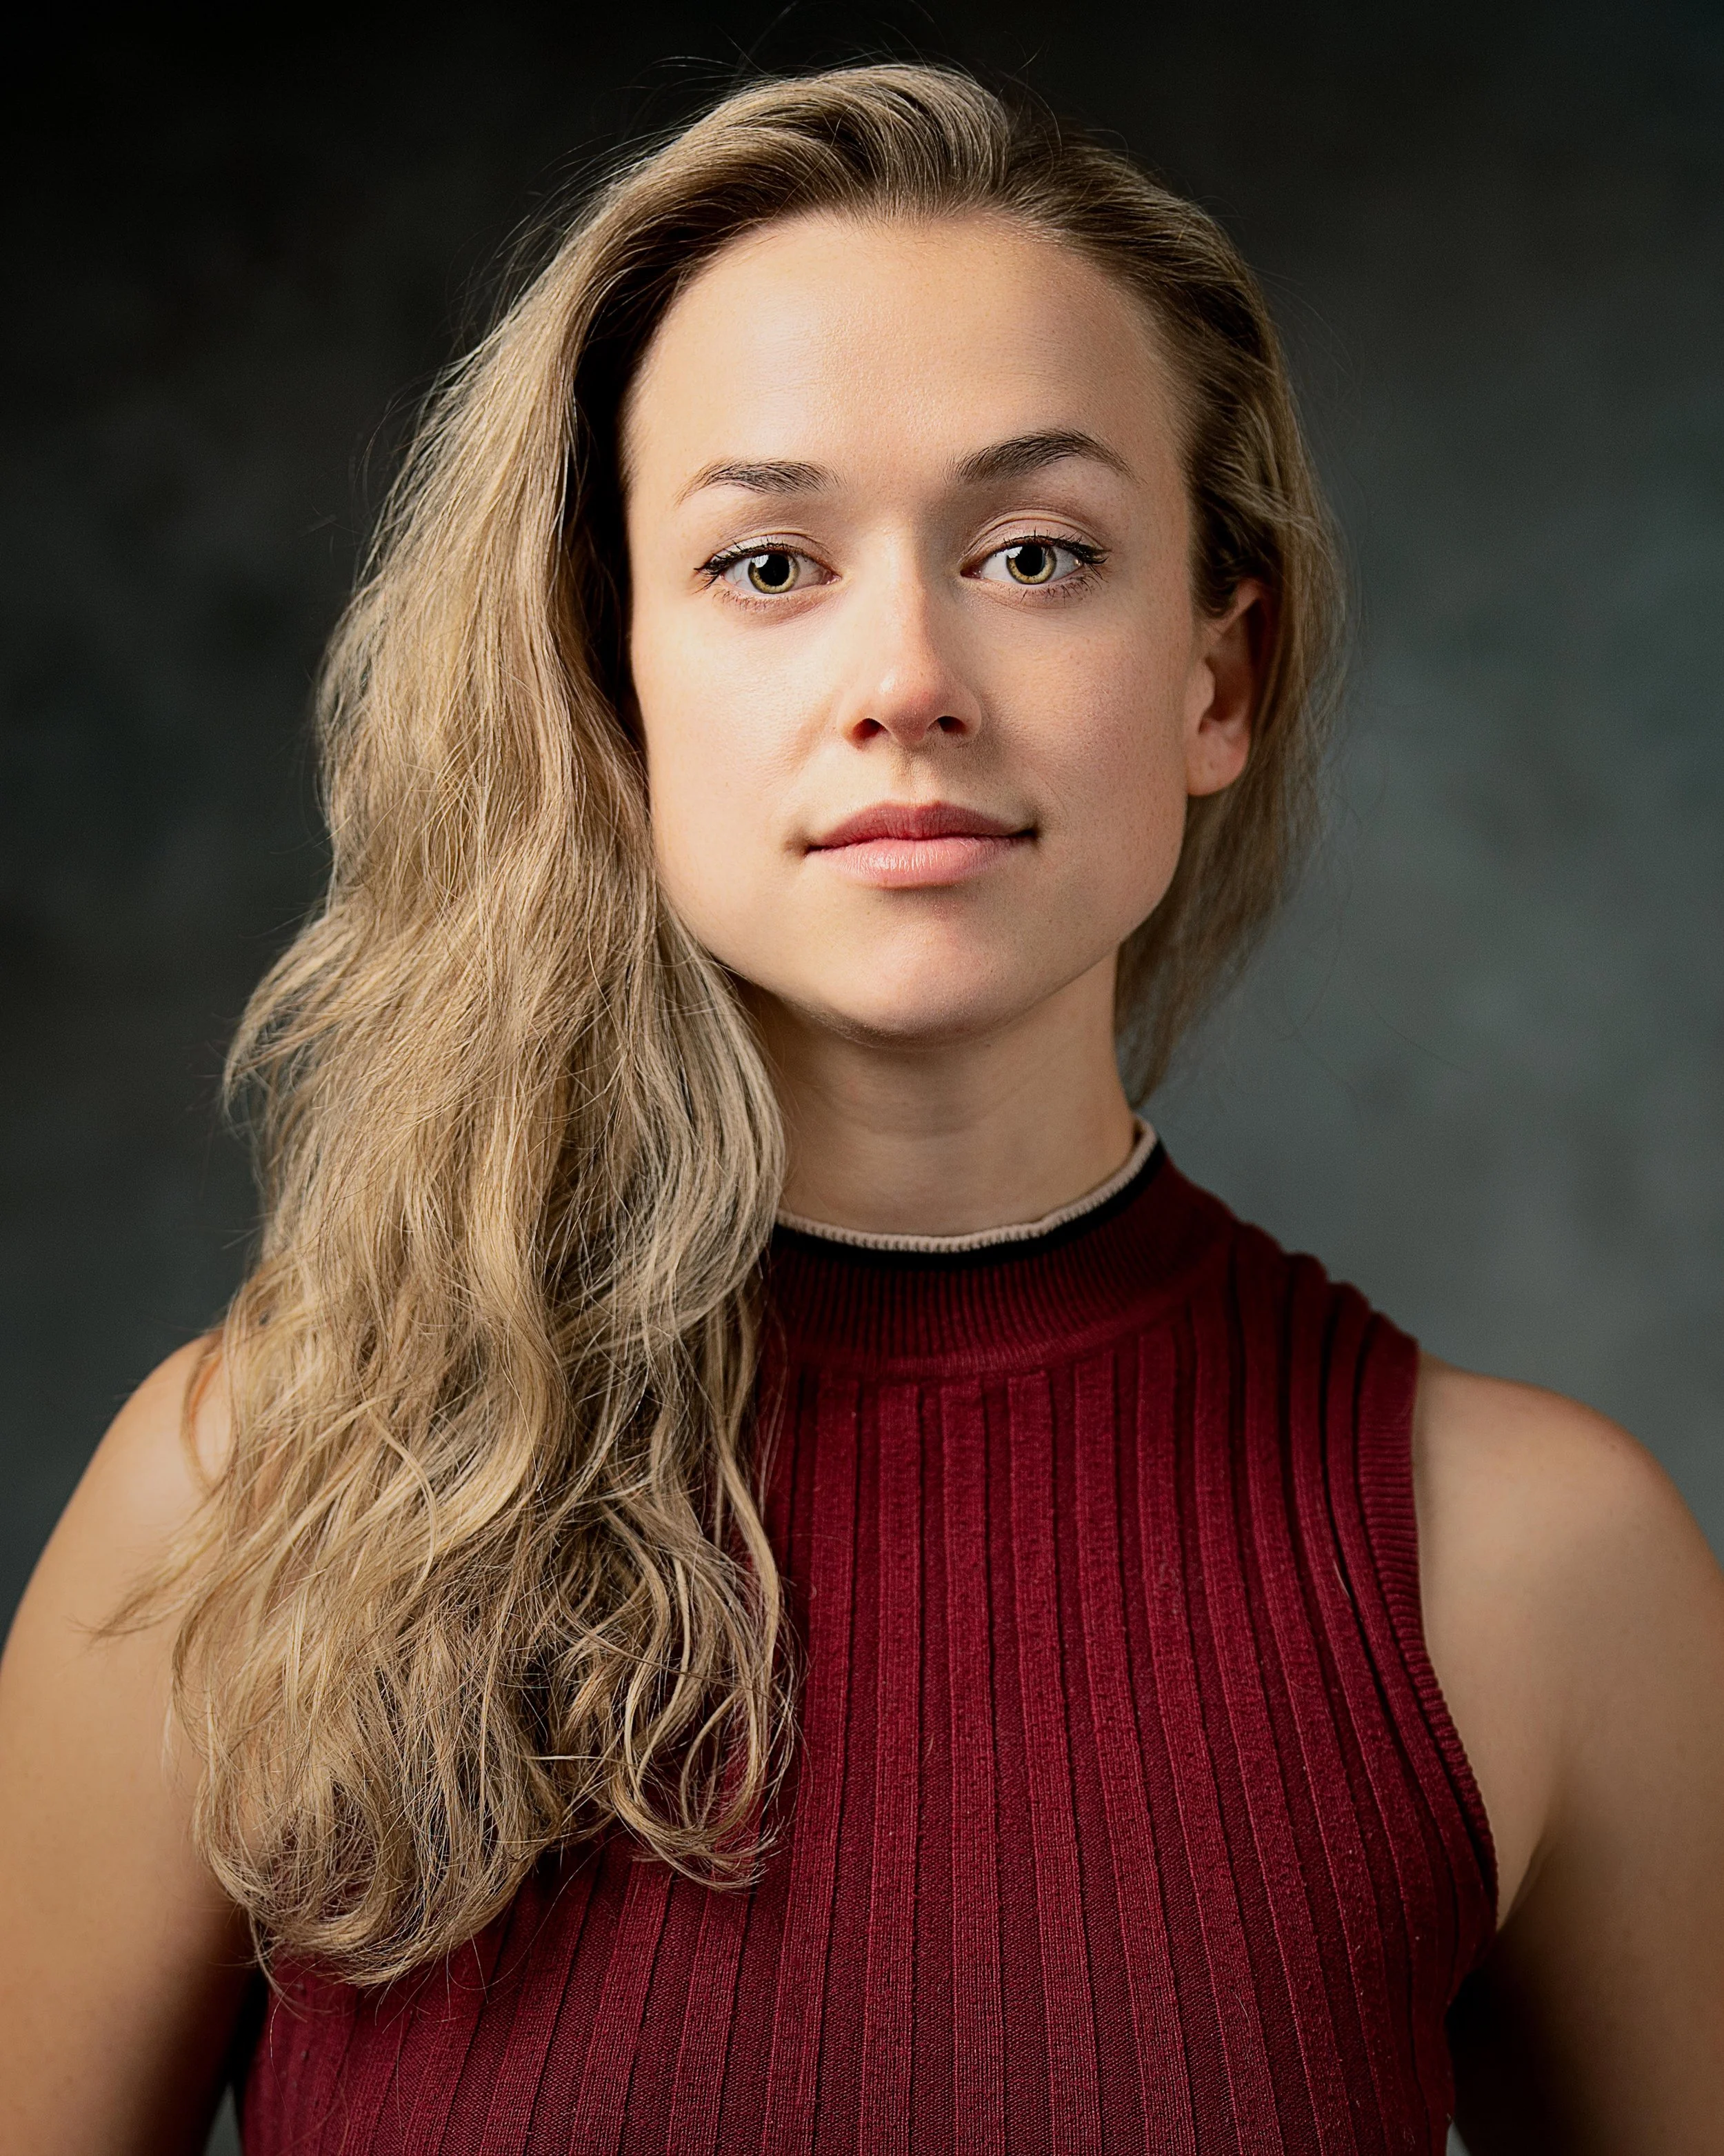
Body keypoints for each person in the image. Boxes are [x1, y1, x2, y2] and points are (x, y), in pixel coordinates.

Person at [1, 63, 1720, 2156]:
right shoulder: (254, 1496)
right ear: (607, 682)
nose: (904, 671)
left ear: (1215, 679)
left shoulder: (1534, 1574)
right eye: (764, 563)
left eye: (1032, 548)